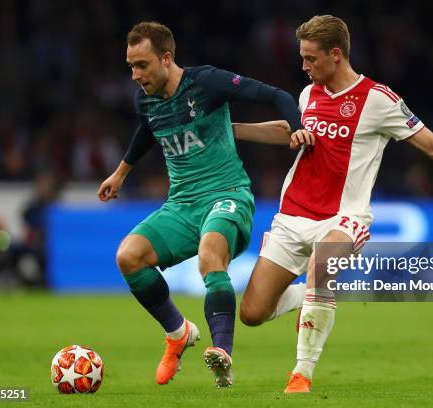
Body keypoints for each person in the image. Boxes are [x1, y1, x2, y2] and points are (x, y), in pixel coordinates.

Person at [237, 15, 433, 393]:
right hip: (292, 215)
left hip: (345, 217)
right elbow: (287, 130)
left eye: (310, 59)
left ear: (336, 55)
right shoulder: (309, 94)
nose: (303, 66)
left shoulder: (379, 100)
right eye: (303, 58)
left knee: (322, 265)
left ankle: (301, 374)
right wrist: (230, 130)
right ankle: (306, 300)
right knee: (253, 313)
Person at [97, 21, 308, 388]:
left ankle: (222, 354)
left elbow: (275, 96)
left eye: (142, 65)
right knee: (128, 256)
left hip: (228, 196)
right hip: (181, 204)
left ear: (166, 58)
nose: (135, 75)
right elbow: (148, 129)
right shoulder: (144, 99)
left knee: (210, 253)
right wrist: (121, 173)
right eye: (130, 66)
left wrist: (298, 126)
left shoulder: (206, 83)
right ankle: (178, 333)